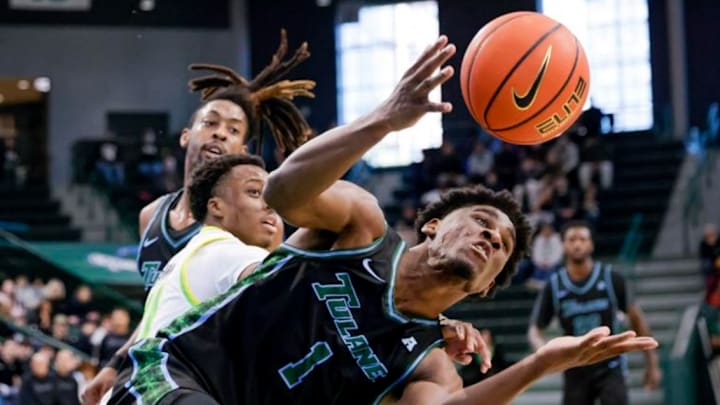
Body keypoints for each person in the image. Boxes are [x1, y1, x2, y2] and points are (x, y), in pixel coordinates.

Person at [108, 35, 657, 405]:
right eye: (482, 219)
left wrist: (539, 364)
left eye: (505, 244)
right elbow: (285, 187)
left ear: (488, 287)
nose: (493, 235)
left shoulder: (431, 364)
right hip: (176, 373)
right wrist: (385, 119)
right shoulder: (361, 229)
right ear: (433, 225)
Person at [80, 30, 315, 405]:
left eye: (234, 131)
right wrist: (115, 362)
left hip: (212, 379)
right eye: (211, 123)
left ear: (243, 149)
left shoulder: (253, 220)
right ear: (186, 136)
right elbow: (160, 305)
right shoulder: (151, 215)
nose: (220, 133)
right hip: (155, 376)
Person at [136, 154, 282, 341]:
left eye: (271, 194)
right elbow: (289, 291)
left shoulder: (190, 256)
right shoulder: (225, 251)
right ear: (216, 207)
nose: (270, 204)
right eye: (254, 192)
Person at [527, 221, 661, 405]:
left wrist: (652, 363)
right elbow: (535, 330)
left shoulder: (611, 278)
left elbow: (637, 319)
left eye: (582, 239)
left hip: (610, 365)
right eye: (572, 239)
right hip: (575, 366)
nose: (577, 244)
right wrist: (543, 351)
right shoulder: (554, 285)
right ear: (563, 245)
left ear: (591, 244)